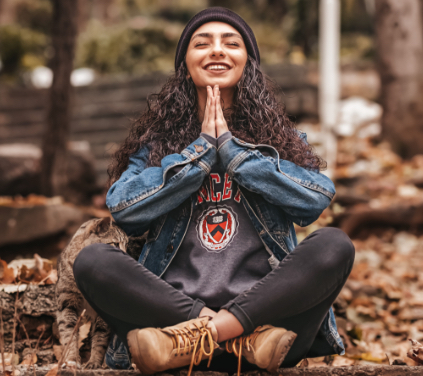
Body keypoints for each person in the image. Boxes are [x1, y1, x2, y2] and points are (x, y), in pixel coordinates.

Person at [73, 7, 355, 376]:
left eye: (231, 43)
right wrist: (200, 153)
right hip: (168, 324)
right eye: (202, 43)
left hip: (270, 329)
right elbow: (124, 209)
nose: (217, 50)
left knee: (335, 245)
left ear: (247, 62)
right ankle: (223, 336)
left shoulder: (280, 141)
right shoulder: (157, 146)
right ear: (185, 64)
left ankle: (214, 333)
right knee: (93, 261)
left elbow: (315, 198)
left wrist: (235, 154)